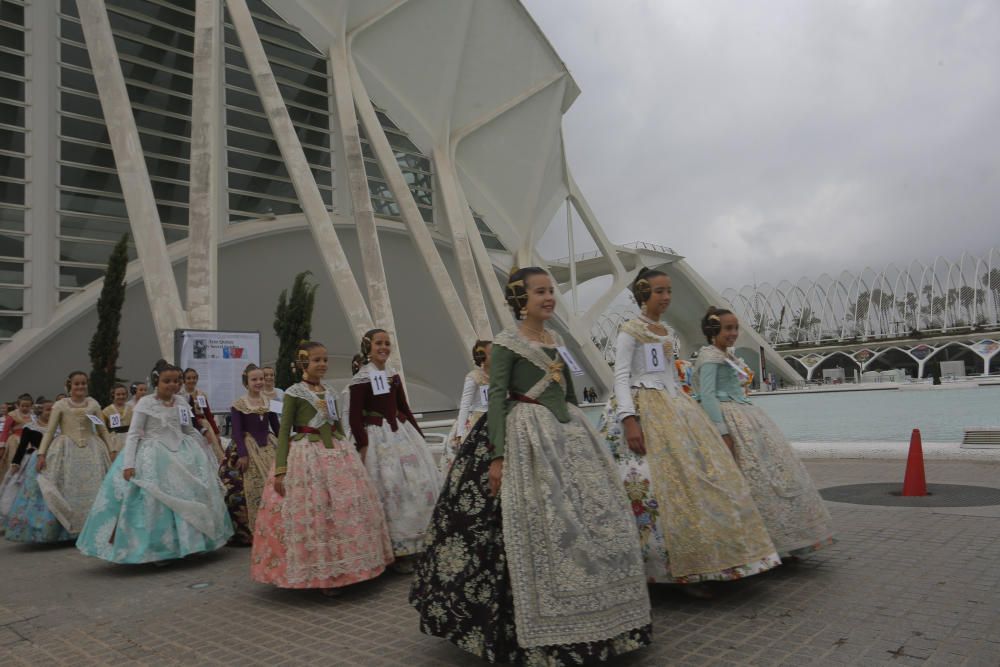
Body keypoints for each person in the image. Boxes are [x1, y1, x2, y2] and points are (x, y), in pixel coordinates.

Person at [411, 266, 651, 664]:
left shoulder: (557, 340)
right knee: (530, 522)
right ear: (520, 299)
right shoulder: (505, 344)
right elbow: (499, 399)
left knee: (589, 516)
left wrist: (582, 430)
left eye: (551, 290)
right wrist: (497, 457)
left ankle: (601, 615)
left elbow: (568, 393)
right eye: (540, 291)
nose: (549, 297)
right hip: (525, 434)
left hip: (567, 435)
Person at [599, 268, 779, 591]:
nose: (666, 297)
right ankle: (664, 569)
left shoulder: (666, 332)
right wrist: (629, 419)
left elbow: (670, 376)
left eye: (669, 291)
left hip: (673, 406)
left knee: (698, 481)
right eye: (659, 291)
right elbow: (621, 377)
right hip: (641, 408)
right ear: (643, 294)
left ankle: (707, 561)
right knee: (658, 487)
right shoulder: (629, 331)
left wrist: (684, 408)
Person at [251, 341, 392, 593]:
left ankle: (348, 567)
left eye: (325, 360)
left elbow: (336, 425)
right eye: (317, 360)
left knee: (343, 509)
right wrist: (281, 469)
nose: (322, 365)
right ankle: (321, 575)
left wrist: (349, 450)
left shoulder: (330, 392)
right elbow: (284, 433)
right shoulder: (294, 393)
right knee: (314, 512)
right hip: (306, 455)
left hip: (336, 453)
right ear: (304, 362)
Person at [694, 307, 835, 558]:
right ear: (713, 330)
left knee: (771, 472)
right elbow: (707, 396)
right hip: (729, 418)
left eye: (735, 328)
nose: (734, 333)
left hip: (745, 414)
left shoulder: (726, 356)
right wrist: (723, 431)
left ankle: (778, 538)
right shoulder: (710, 357)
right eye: (728, 328)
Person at [77, 360, 233, 563]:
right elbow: (134, 434)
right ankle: (158, 548)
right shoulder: (145, 403)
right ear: (156, 381)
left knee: (190, 496)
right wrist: (129, 463)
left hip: (182, 454)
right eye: (167, 381)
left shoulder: (182, 402)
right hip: (152, 455)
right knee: (154, 503)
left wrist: (206, 442)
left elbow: (187, 429)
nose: (173, 385)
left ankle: (191, 544)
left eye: (177, 381)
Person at [347, 330, 439, 573]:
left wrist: (419, 435)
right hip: (377, 440)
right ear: (368, 347)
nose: (384, 347)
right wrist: (362, 444)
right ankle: (390, 549)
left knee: (414, 486)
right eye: (379, 343)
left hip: (401, 435)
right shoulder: (362, 379)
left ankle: (413, 544)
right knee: (388, 486)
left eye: (387, 343)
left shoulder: (392, 375)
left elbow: (404, 408)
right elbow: (354, 416)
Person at [7, 373, 112, 543]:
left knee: (97, 488)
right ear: (70, 386)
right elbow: (49, 431)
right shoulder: (60, 405)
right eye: (77, 384)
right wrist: (42, 454)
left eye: (83, 383)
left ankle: (95, 526)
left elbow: (102, 429)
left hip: (93, 450)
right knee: (66, 487)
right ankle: (69, 529)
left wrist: (112, 449)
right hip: (66, 449)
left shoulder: (93, 404)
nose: (80, 387)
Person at [220, 364, 279, 545]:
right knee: (244, 486)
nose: (259, 382)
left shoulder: (270, 401)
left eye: (261, 378)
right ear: (246, 382)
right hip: (247, 445)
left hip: (268, 445)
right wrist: (243, 454)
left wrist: (284, 445)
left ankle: (275, 525)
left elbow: (276, 426)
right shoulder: (239, 404)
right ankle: (249, 531)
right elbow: (237, 432)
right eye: (254, 379)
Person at [437, 340, 491, 476]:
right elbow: (465, 405)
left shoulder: (500, 376)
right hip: (477, 423)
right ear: (482, 356)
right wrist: (460, 433)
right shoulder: (473, 377)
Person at [0, 399, 50, 531]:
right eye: (47, 410)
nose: (50, 412)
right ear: (40, 411)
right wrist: (16, 462)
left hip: (53, 459)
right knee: (30, 490)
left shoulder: (58, 426)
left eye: (52, 410)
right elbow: (22, 447)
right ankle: (26, 520)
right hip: (34, 460)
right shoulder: (30, 427)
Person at [180, 368, 224, 463]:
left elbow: (208, 413)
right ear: (184, 380)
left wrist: (216, 432)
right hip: (189, 424)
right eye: (189, 378)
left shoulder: (201, 394)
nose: (192, 380)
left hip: (204, 424)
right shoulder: (181, 395)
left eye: (194, 378)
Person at [1, 393, 36, 480]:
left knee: (28, 463)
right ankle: (11, 482)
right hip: (15, 442)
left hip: (30, 443)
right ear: (18, 405)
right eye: (22, 406)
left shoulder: (34, 416)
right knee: (14, 462)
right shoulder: (12, 415)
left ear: (31, 406)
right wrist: (2, 446)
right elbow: (5, 431)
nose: (25, 408)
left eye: (27, 406)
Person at [101, 384, 132, 462]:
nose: (121, 396)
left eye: (123, 394)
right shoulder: (106, 411)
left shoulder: (132, 409)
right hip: (114, 441)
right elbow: (103, 429)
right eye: (118, 394)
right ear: (113, 395)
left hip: (129, 439)